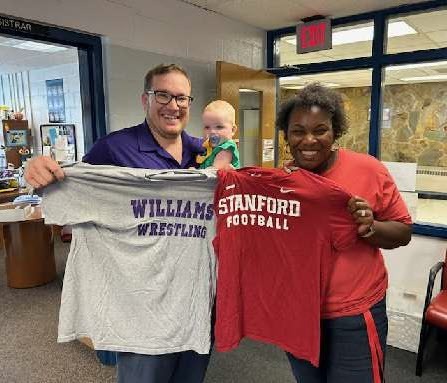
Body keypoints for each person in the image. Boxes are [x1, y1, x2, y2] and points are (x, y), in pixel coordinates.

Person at [25, 64, 213, 383]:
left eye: (181, 98)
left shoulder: (204, 153)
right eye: (163, 95)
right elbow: (65, 183)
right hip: (138, 310)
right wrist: (37, 169)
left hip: (194, 304)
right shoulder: (113, 148)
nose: (173, 105)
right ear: (145, 100)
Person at [277, 83, 412, 383]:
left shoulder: (368, 170)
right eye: (298, 131)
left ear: (335, 132)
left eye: (320, 130)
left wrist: (370, 228)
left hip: (355, 313)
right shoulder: (282, 184)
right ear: (286, 135)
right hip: (299, 314)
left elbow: (403, 232)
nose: (309, 140)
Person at [196, 100, 240, 169]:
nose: (212, 131)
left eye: (219, 127)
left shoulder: (227, 148)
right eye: (207, 127)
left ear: (233, 130)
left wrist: (195, 173)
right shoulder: (210, 148)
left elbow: (214, 172)